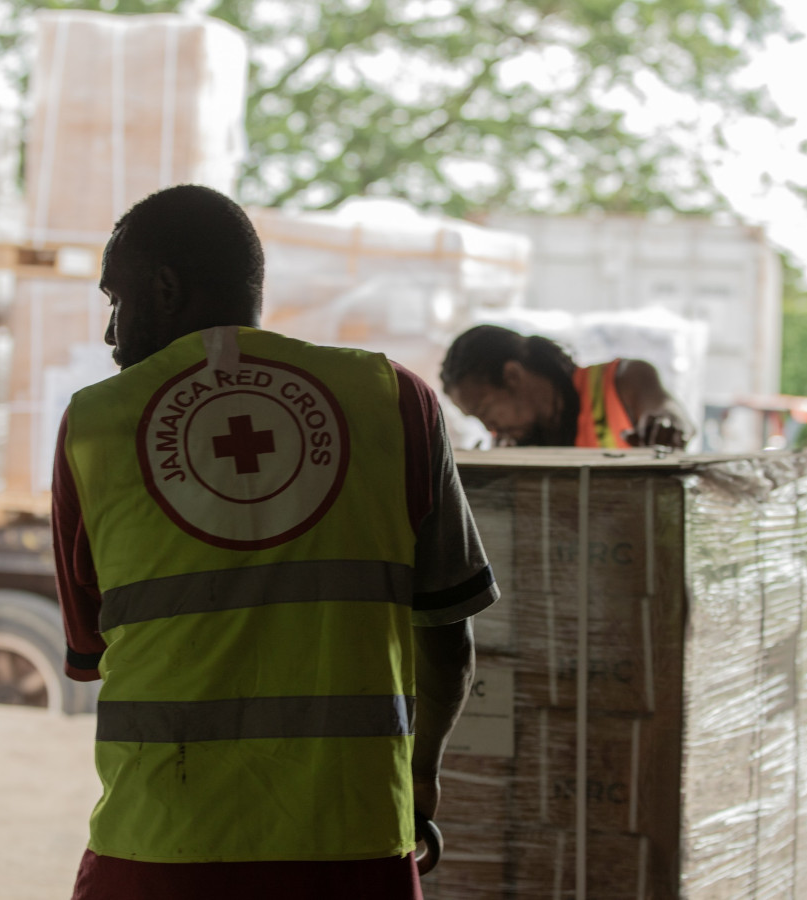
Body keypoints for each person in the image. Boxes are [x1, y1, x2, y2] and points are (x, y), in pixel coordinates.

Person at [51, 185, 497, 900]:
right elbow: (449, 639)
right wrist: (419, 779)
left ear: (165, 290)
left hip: (158, 848)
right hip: (355, 847)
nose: (111, 333)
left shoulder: (93, 427)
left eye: (116, 300)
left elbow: (94, 653)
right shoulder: (395, 399)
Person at [440, 324, 693, 450]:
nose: (489, 428)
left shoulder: (624, 381)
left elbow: (671, 413)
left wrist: (667, 426)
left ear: (513, 376)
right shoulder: (509, 444)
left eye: (486, 410)